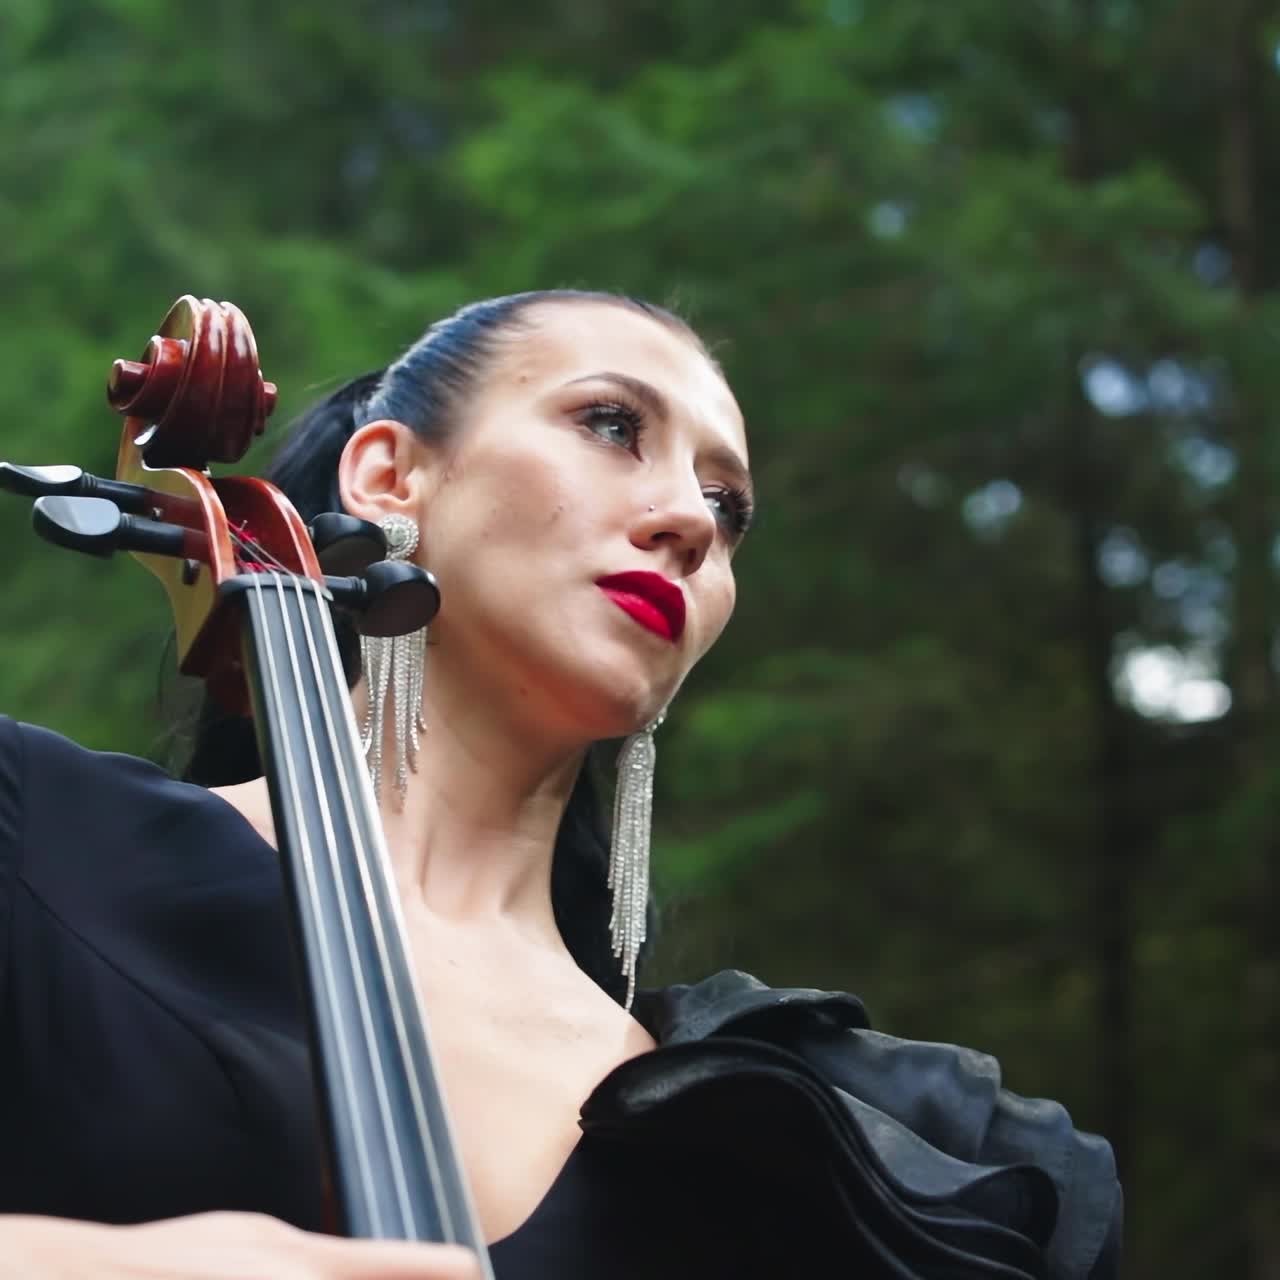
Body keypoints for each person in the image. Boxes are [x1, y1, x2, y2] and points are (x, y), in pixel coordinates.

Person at [0, 290, 1122, 1278]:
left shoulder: (765, 1142)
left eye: (728, 508)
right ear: (391, 475)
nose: (690, 522)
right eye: (611, 425)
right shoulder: (36, 833)